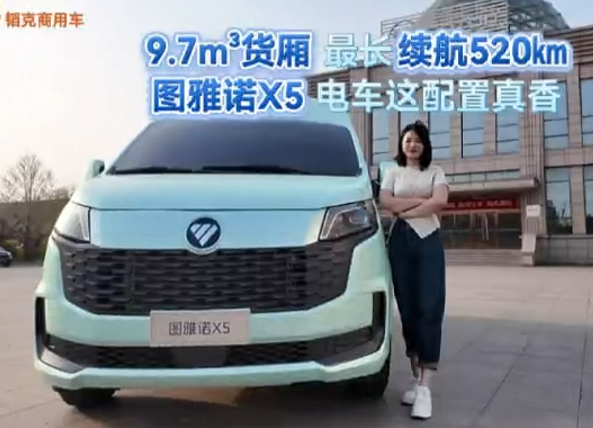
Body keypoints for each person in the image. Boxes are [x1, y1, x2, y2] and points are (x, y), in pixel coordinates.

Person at [379, 120, 449, 420]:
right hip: (399, 243)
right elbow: (385, 201)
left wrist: (405, 209)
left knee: (429, 307)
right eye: (408, 140)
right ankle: (415, 378)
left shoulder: (436, 172)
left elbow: (440, 201)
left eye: (418, 140)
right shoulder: (392, 171)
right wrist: (422, 201)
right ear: (401, 144)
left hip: (428, 240)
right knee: (407, 310)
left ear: (425, 144)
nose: (412, 145)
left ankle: (425, 388)